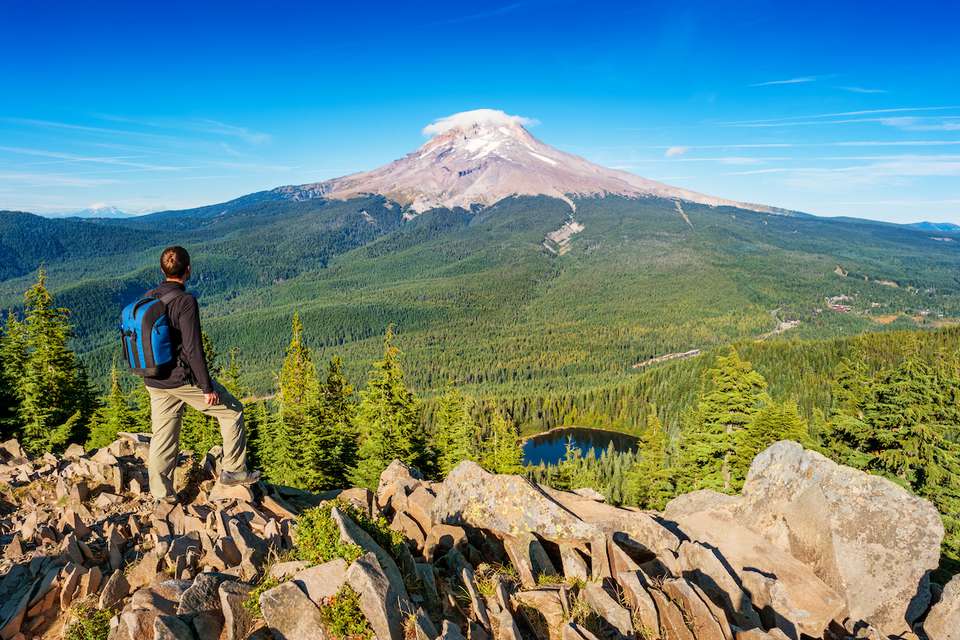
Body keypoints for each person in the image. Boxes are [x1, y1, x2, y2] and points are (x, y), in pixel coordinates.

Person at [144, 246, 259, 502]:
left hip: (154, 378)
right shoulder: (185, 301)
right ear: (188, 270)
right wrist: (207, 387)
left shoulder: (150, 296)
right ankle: (234, 470)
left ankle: (162, 495)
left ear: (162, 271)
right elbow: (194, 349)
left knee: (163, 435)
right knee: (232, 412)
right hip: (179, 379)